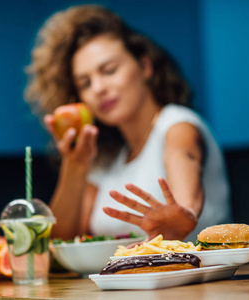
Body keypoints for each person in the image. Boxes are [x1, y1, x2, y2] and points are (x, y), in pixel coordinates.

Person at [25, 5, 232, 242]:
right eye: (85, 84)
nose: (99, 88)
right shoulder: (108, 158)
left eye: (109, 70)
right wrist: (75, 167)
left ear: (145, 66)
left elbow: (185, 164)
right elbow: (60, 241)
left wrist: (184, 213)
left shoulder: (177, 124)